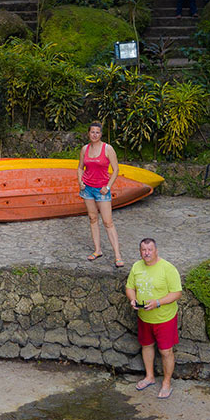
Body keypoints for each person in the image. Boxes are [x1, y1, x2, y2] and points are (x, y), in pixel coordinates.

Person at [125, 237, 182, 399]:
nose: (147, 253)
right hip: (144, 317)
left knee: (166, 351)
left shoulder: (167, 268)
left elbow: (177, 293)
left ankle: (166, 383)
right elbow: (130, 287)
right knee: (146, 345)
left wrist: (158, 302)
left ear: (156, 250)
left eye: (150, 250)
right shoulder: (137, 266)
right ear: (140, 251)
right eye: (143, 250)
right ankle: (149, 377)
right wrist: (132, 299)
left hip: (164, 318)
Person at [76, 121, 124, 268]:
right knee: (92, 218)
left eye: (97, 132)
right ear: (88, 133)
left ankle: (117, 255)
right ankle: (98, 250)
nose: (95, 134)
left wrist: (108, 187)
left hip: (102, 190)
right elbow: (80, 168)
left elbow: (115, 170)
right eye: (92, 132)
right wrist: (80, 182)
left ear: (101, 134)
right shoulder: (85, 149)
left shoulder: (108, 149)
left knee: (108, 222)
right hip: (87, 189)